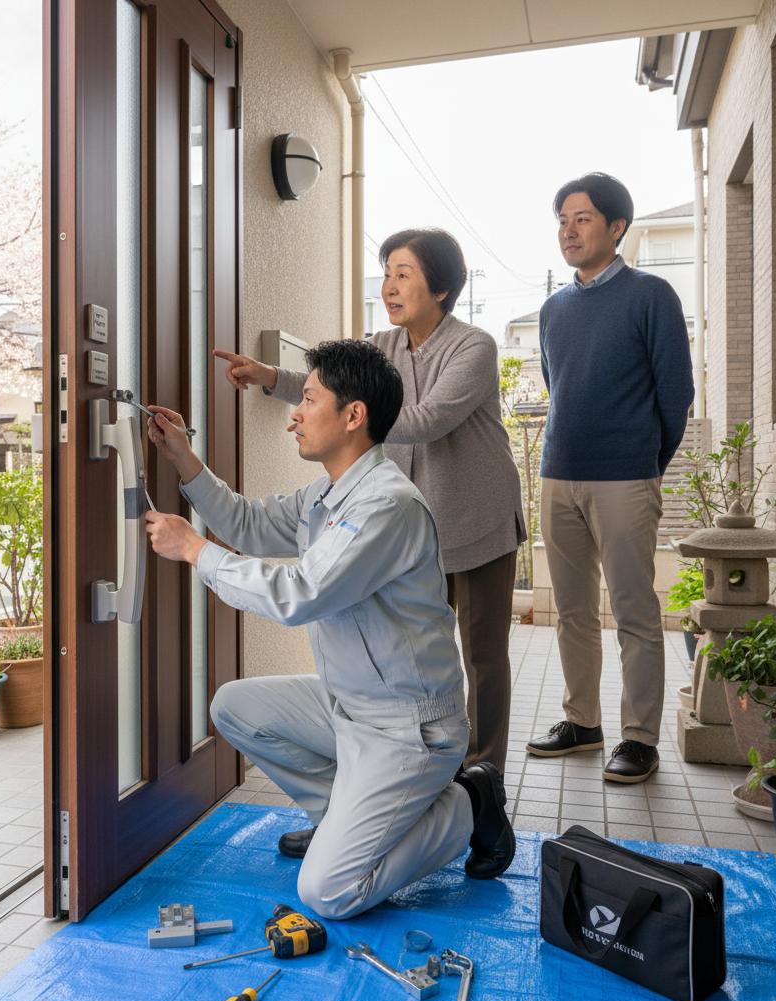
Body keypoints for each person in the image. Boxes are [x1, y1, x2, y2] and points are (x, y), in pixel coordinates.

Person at [143, 339, 515, 920]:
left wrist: (194, 552)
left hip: (408, 727)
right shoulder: (327, 494)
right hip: (351, 708)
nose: (294, 411)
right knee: (233, 706)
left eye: (308, 398)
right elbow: (247, 521)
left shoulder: (385, 506)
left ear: (353, 416)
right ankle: (338, 816)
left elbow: (299, 595)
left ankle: (470, 802)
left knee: (328, 894)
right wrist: (183, 460)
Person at [213, 228, 525, 777]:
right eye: (386, 273)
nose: (389, 286)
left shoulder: (473, 346)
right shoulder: (382, 347)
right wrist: (273, 379)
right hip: (409, 531)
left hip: (475, 522)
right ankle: (425, 767)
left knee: (482, 656)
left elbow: (427, 420)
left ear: (442, 287)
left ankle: (484, 778)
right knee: (415, 649)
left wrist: (348, 419)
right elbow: (336, 387)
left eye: (404, 274)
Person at [526, 172, 694, 783]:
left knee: (634, 612)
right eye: (562, 220)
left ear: (617, 227)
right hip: (558, 474)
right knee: (570, 611)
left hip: (626, 478)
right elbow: (558, 386)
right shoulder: (552, 308)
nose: (569, 231)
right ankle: (583, 722)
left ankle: (640, 739)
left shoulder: (652, 296)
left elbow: (676, 397)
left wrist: (645, 465)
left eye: (583, 219)